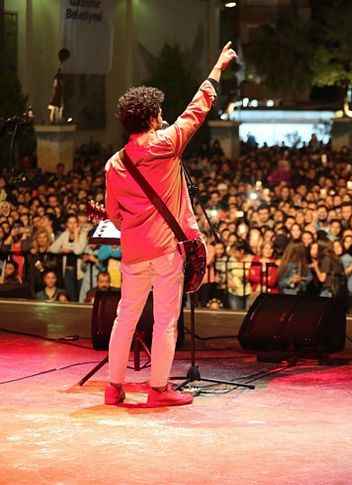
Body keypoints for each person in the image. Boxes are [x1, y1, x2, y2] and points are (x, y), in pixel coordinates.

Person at [103, 42, 237, 407]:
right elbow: (199, 107)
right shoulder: (168, 143)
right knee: (165, 322)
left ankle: (113, 388)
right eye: (159, 112)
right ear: (149, 118)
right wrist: (218, 67)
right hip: (165, 253)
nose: (163, 115)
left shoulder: (114, 164)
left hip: (132, 254)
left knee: (124, 319)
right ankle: (158, 390)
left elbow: (114, 214)